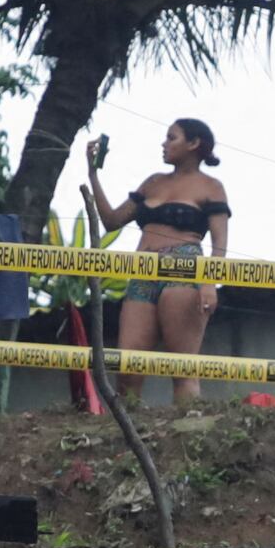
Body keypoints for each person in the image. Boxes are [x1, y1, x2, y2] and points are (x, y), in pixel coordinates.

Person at [77, 119, 230, 403]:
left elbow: (219, 243)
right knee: (128, 367)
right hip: (143, 271)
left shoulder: (211, 187)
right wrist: (93, 174)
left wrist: (209, 283)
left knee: (182, 367)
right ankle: (128, 436)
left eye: (171, 138)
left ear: (193, 144)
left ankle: (187, 432)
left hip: (183, 269)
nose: (164, 143)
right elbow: (112, 221)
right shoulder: (153, 182)